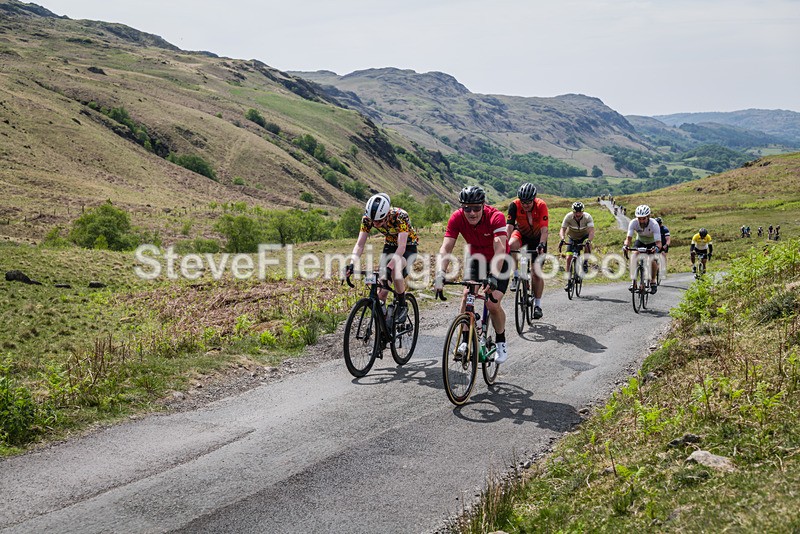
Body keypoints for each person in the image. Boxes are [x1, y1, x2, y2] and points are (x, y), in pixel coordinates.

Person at [434, 186, 510, 363]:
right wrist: (440, 273)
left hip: (500, 260)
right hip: (476, 259)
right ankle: (464, 341)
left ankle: (501, 341)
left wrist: (493, 275)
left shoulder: (495, 216)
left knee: (492, 304)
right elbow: (446, 247)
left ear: (483, 205)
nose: (472, 213)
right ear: (462, 207)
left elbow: (499, 247)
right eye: (467, 208)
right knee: (467, 295)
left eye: (476, 208)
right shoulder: (457, 218)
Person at [346, 193, 418, 325]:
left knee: (395, 269)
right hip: (389, 247)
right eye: (373, 221)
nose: (376, 224)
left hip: (407, 247)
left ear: (387, 214)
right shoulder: (367, 219)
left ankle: (402, 304)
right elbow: (360, 244)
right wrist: (351, 264)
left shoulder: (400, 216)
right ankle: (384, 326)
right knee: (381, 293)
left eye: (379, 221)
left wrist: (389, 267)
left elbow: (401, 247)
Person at [505, 182, 549, 319]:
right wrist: (504, 245)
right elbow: (509, 227)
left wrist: (542, 244)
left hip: (537, 239)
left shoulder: (541, 205)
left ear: (534, 199)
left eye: (528, 202)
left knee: (536, 273)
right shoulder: (514, 205)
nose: (525, 205)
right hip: (521, 234)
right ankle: (516, 275)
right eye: (523, 202)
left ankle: (537, 305)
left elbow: (544, 229)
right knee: (511, 245)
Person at [623, 205, 662, 294]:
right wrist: (625, 246)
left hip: (652, 242)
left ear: (648, 217)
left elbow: (659, 243)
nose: (641, 221)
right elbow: (628, 239)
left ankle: (653, 281)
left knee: (652, 259)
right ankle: (634, 282)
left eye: (643, 218)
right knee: (634, 256)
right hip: (640, 241)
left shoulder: (654, 224)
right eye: (639, 218)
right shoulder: (633, 223)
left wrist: (656, 248)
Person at [559, 201, 595, 291]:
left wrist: (589, 240)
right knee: (568, 258)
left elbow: (591, 231)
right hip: (572, 237)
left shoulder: (587, 217)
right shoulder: (568, 217)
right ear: (573, 211)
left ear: (583, 211)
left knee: (588, 245)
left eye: (580, 212)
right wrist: (562, 239)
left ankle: (585, 262)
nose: (578, 214)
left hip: (584, 236)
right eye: (576, 212)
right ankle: (568, 282)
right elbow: (562, 229)